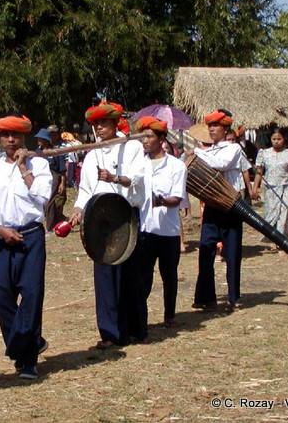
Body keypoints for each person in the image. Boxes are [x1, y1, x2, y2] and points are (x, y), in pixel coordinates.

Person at [0, 114, 53, 379]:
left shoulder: (39, 165)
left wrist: (23, 168)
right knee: (0, 293)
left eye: (16, 135)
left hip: (31, 237)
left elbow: (43, 196)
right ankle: (29, 343)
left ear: (24, 138)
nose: (11, 140)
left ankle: (28, 360)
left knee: (31, 296)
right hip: (4, 238)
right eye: (6, 135)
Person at [68, 102, 145, 348]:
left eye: (104, 123)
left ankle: (136, 328)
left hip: (124, 215)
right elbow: (86, 189)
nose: (99, 127)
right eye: (96, 124)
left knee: (131, 273)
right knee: (105, 276)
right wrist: (78, 209)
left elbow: (138, 178)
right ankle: (111, 333)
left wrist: (115, 178)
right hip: (99, 218)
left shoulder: (132, 147)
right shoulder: (92, 154)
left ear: (114, 123)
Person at [133, 116, 187, 329]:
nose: (145, 141)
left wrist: (162, 200)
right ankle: (139, 319)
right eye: (143, 137)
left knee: (169, 275)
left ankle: (170, 315)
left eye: (149, 136)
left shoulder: (176, 166)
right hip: (145, 229)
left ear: (162, 138)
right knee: (144, 277)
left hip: (168, 231)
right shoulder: (139, 165)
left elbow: (177, 199)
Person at [192, 109, 248, 312]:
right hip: (212, 205)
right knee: (206, 248)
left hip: (231, 206)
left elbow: (220, 164)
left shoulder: (233, 149)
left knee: (232, 253)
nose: (212, 129)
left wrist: (197, 152)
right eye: (210, 126)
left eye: (216, 126)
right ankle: (205, 296)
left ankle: (234, 297)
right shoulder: (208, 150)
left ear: (225, 129)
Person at [251, 127, 288, 239]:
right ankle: (274, 239)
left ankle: (281, 242)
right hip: (270, 190)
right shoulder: (264, 153)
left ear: (284, 139)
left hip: (285, 189)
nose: (276, 141)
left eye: (279, 139)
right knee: (271, 215)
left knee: (284, 216)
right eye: (274, 139)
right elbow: (259, 172)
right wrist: (254, 188)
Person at [34, 128, 67, 230]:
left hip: (54, 177)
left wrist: (62, 183)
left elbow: (62, 170)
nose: (38, 140)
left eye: (40, 138)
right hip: (40, 177)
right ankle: (50, 222)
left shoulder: (56, 151)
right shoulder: (37, 152)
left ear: (45, 139)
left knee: (50, 201)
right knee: (42, 200)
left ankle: (50, 226)